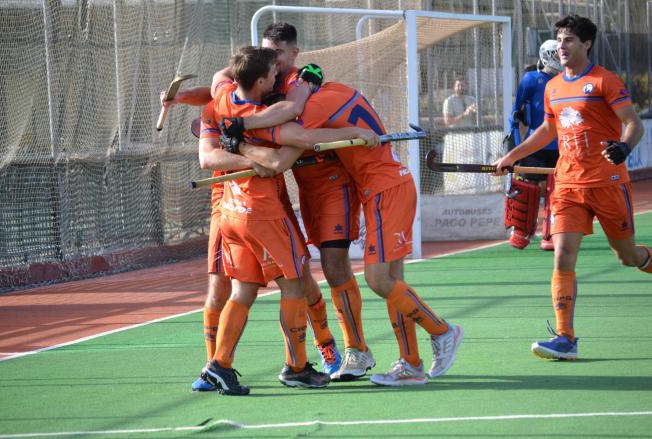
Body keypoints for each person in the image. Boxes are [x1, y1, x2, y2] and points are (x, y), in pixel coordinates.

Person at [226, 81, 464, 386]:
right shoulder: (332, 91)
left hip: (385, 190)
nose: (292, 105)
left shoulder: (309, 108)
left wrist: (241, 135)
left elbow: (279, 158)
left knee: (378, 279)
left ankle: (443, 332)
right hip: (381, 188)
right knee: (393, 281)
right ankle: (411, 364)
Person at [162, 23, 347, 390]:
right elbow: (244, 158)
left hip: (239, 207)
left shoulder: (223, 94)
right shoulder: (269, 106)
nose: (276, 64)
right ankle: (296, 367)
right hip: (257, 209)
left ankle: (220, 365)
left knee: (245, 289)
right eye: (269, 59)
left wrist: (240, 143)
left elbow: (224, 91)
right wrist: (256, 152)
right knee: (295, 282)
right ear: (260, 78)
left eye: (279, 56)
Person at [493, 14, 651, 361]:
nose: (561, 47)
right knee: (563, 257)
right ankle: (565, 338)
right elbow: (547, 132)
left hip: (607, 183)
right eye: (559, 40)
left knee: (628, 257)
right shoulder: (552, 87)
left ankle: (644, 259)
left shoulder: (604, 81)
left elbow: (633, 124)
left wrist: (624, 147)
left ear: (587, 44)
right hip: (566, 184)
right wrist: (512, 156)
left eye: (569, 41)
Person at [506, 39, 563, 251]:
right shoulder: (531, 79)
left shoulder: (566, 80)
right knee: (527, 187)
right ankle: (521, 230)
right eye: (555, 54)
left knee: (556, 191)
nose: (560, 58)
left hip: (560, 145)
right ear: (546, 55)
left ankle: (550, 233)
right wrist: (515, 145)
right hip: (536, 143)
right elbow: (515, 113)